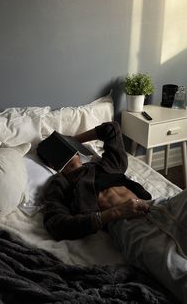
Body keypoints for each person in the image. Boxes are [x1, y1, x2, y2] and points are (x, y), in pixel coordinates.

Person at [39, 121, 187, 304]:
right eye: (55, 151)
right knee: (179, 274)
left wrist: (70, 141)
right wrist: (116, 213)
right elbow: (57, 224)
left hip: (158, 206)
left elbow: (112, 129)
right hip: (130, 228)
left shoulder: (106, 165)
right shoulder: (59, 184)